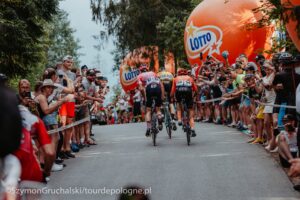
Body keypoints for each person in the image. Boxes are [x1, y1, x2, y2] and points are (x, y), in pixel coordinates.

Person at [137, 60, 165, 137]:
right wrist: (162, 96)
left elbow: (141, 89)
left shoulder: (139, 76)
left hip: (149, 89)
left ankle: (149, 128)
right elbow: (161, 85)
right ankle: (159, 117)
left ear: (140, 70)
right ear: (147, 69)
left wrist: (145, 97)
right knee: (158, 109)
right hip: (157, 88)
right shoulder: (153, 73)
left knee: (148, 110)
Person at [171, 68, 198, 137]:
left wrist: (171, 97)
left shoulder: (175, 78)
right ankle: (192, 129)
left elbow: (173, 90)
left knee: (179, 106)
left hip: (179, 92)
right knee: (190, 112)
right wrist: (194, 95)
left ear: (178, 73)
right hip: (188, 92)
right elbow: (195, 89)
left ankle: (179, 120)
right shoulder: (190, 78)